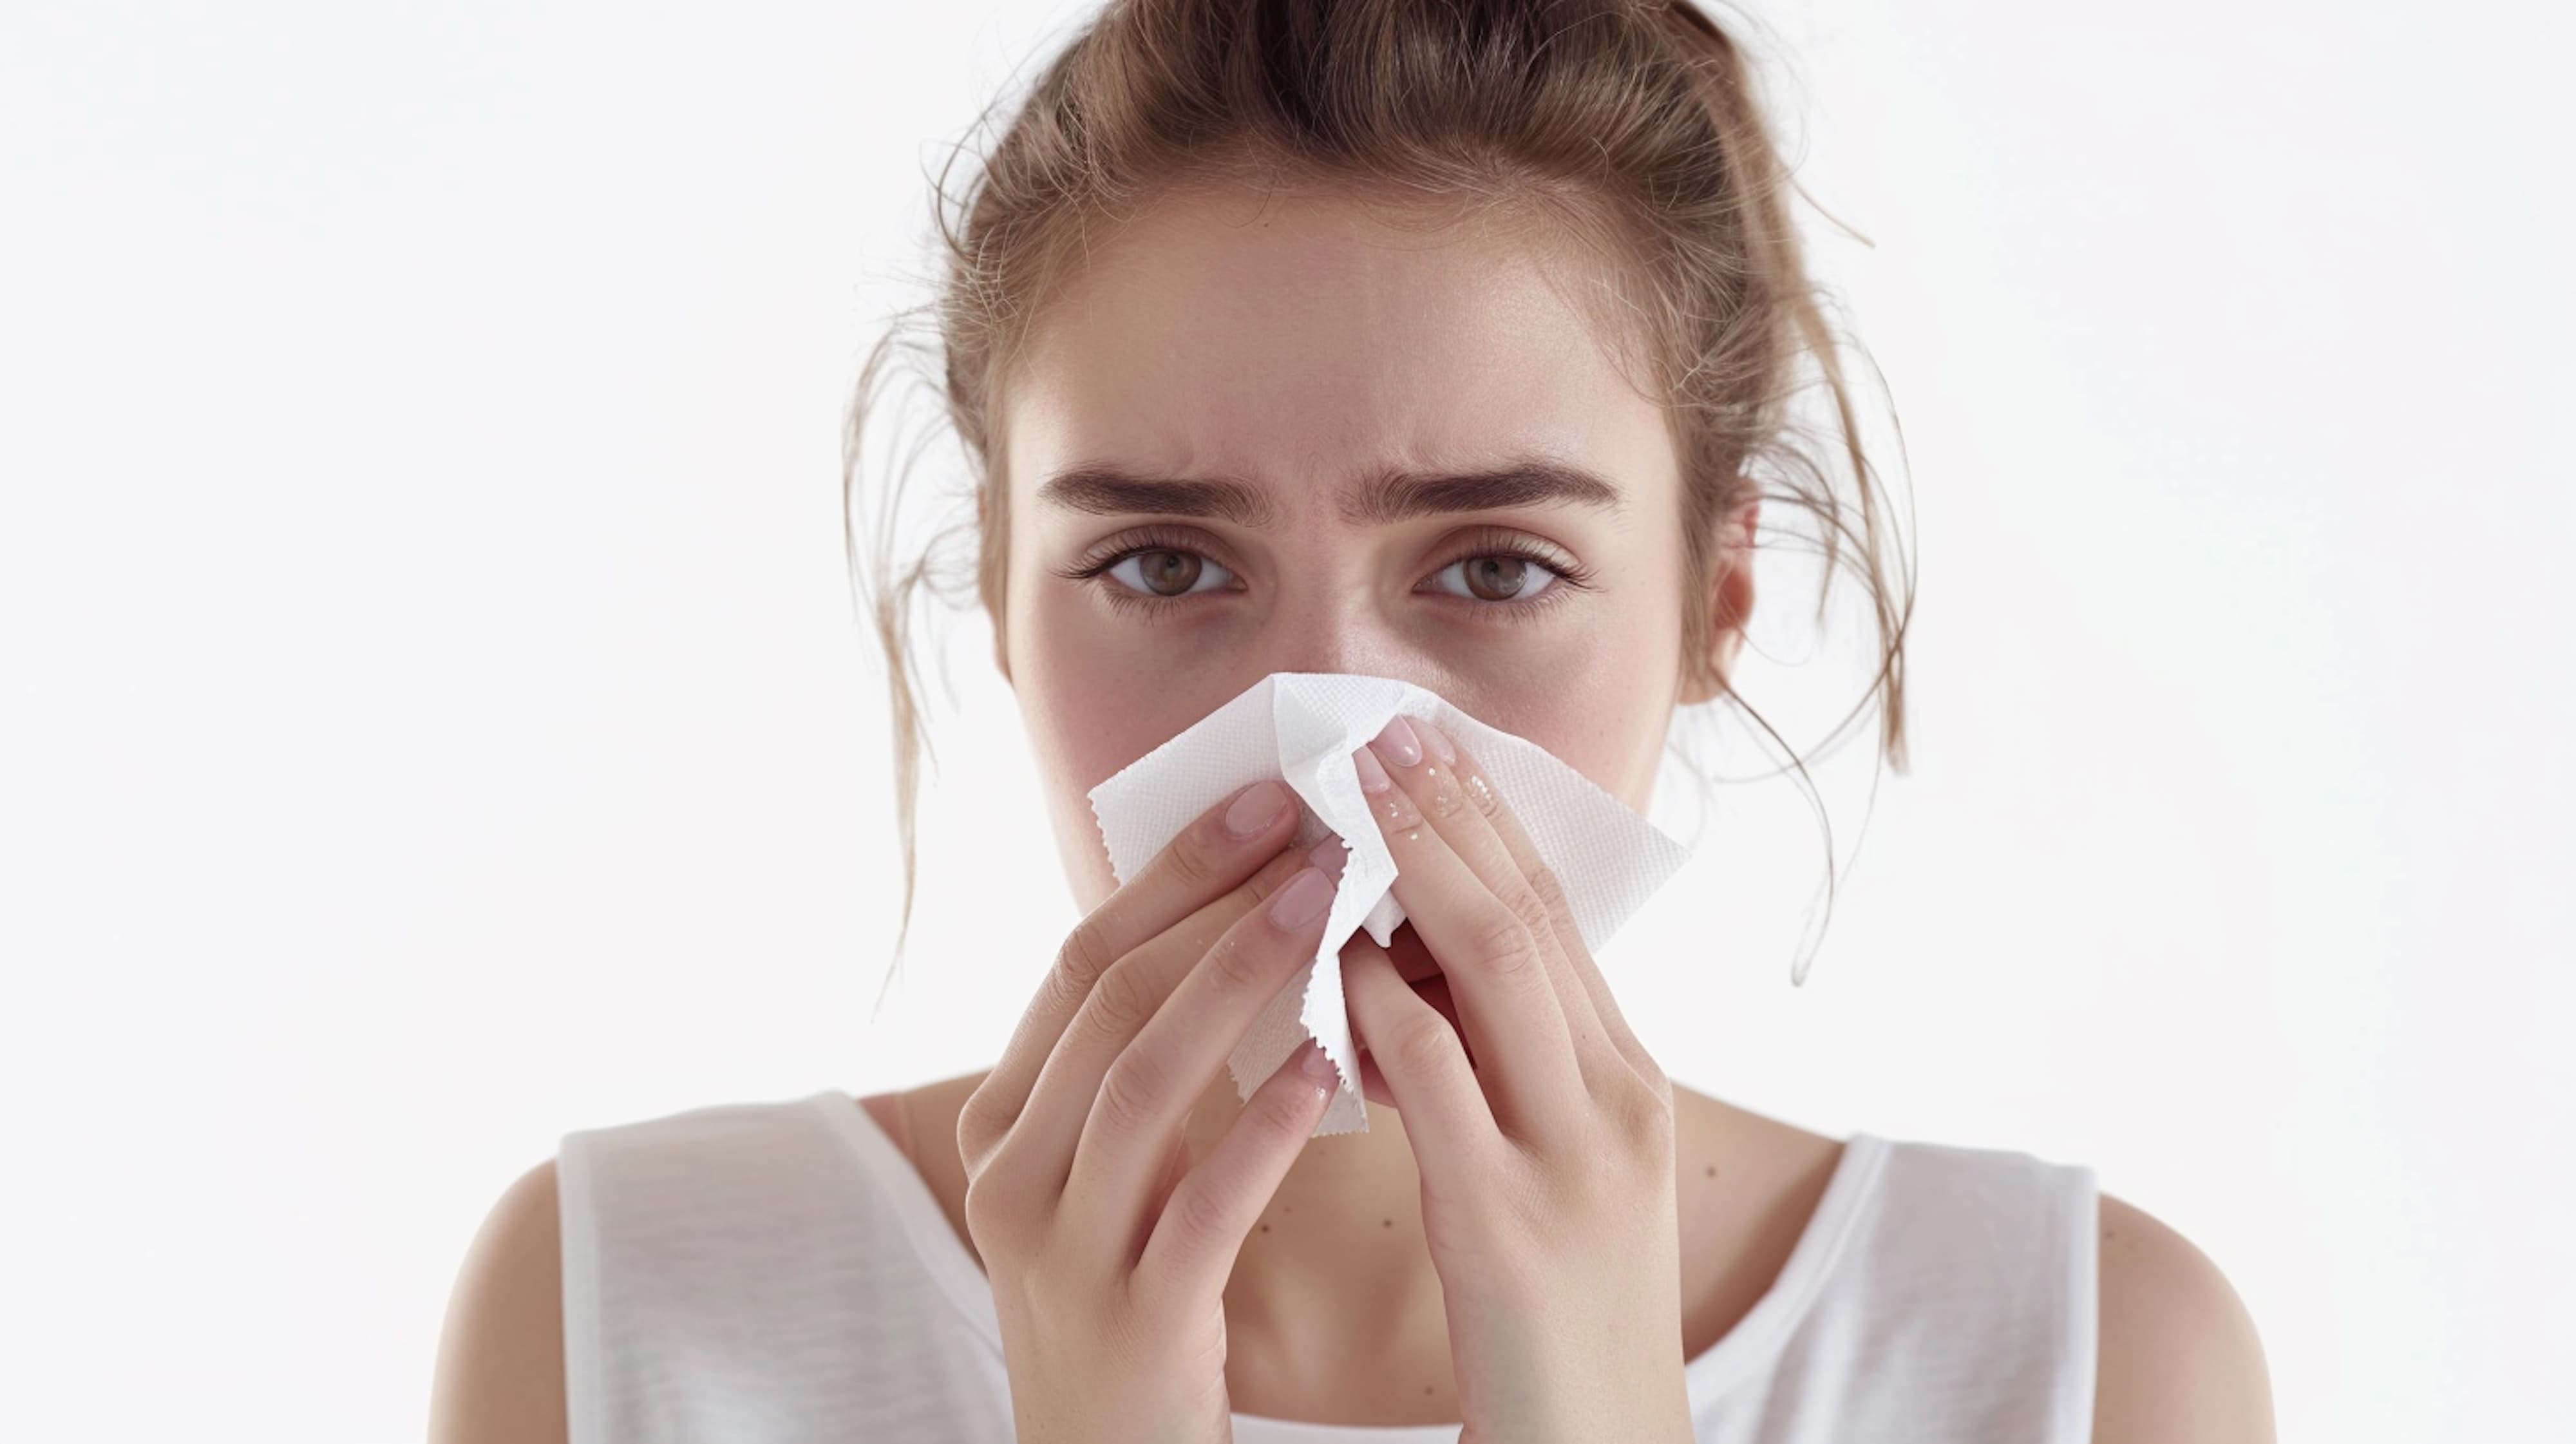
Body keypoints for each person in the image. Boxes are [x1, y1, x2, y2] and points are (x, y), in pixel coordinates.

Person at [431, 1, 2277, 1439]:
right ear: (1000, 594)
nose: (1324, 745)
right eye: (1162, 566)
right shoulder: (628, 1318)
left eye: (1491, 570)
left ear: (1717, 598)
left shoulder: (2083, 1371)